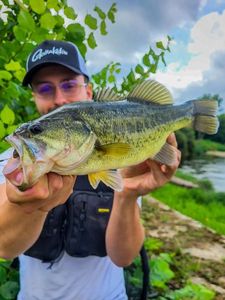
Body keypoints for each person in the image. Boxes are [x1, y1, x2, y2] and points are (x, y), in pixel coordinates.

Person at [0, 40, 181, 300]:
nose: (59, 99)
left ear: (88, 91)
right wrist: (30, 205)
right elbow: (4, 246)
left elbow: (124, 257)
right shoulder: (14, 162)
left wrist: (127, 192)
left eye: (69, 85)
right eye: (45, 88)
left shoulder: (126, 162)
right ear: (34, 96)